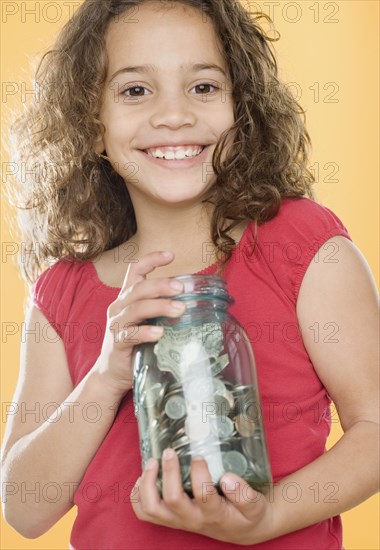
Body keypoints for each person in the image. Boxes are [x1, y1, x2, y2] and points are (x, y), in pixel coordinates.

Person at [1, 0, 378, 549]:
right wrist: (106, 376)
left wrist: (265, 519)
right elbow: (24, 510)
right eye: (135, 90)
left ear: (240, 108)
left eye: (203, 87)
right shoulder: (63, 291)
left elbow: (373, 427)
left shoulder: (301, 245)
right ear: (92, 126)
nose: (174, 114)